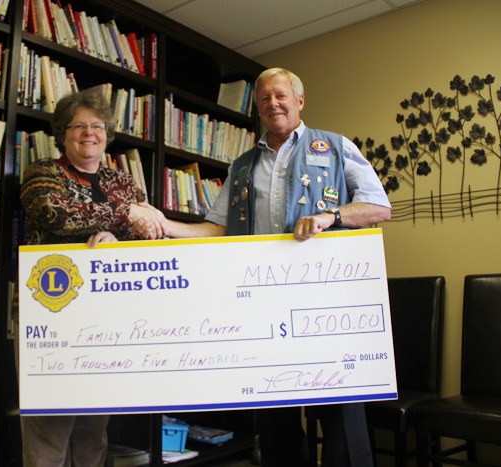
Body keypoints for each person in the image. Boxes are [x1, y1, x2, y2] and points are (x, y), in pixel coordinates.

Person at [134, 67, 391, 466]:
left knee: (342, 421)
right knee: (277, 427)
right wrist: (166, 224)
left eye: (281, 95)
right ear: (258, 108)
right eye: (265, 98)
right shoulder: (241, 167)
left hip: (328, 310)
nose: (273, 103)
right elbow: (216, 229)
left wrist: (331, 217)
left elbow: (379, 207)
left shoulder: (337, 148)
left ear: (299, 101)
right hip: (264, 316)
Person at [17, 90, 161, 467]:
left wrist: (116, 236)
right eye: (78, 126)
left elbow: (148, 233)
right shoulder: (42, 172)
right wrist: (120, 219)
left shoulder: (124, 183)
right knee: (50, 426)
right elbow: (54, 213)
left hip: (106, 318)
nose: (88, 133)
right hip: (51, 313)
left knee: (94, 428)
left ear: (108, 134)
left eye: (97, 126)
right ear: (62, 134)